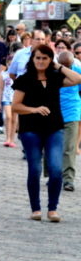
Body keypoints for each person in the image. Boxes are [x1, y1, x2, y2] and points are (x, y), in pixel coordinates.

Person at [11, 44, 81, 221]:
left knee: (56, 169)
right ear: (32, 59)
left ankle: (52, 209)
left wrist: (59, 66)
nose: (40, 61)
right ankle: (36, 208)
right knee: (34, 169)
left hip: (54, 129)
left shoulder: (55, 77)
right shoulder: (24, 79)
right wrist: (34, 109)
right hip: (30, 130)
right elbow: (15, 106)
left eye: (45, 58)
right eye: (37, 58)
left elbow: (77, 79)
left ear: (50, 60)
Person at [58, 49, 81, 192]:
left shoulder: (77, 71)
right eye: (63, 65)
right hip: (54, 112)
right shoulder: (52, 72)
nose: (66, 67)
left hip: (72, 112)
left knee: (69, 148)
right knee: (52, 147)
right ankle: (54, 175)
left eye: (68, 65)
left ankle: (68, 180)